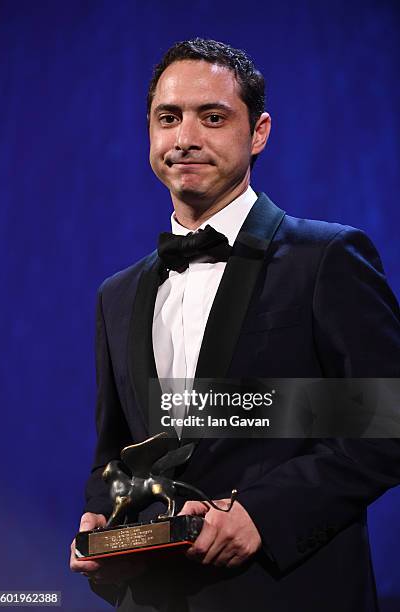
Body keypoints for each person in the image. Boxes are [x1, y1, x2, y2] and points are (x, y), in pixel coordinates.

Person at [70, 38, 400, 611]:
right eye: (168, 118)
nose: (186, 138)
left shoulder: (326, 258)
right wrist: (104, 517)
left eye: (213, 117)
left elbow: (386, 423)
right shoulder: (117, 295)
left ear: (259, 132)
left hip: (288, 593)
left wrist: (263, 515)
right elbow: (121, 454)